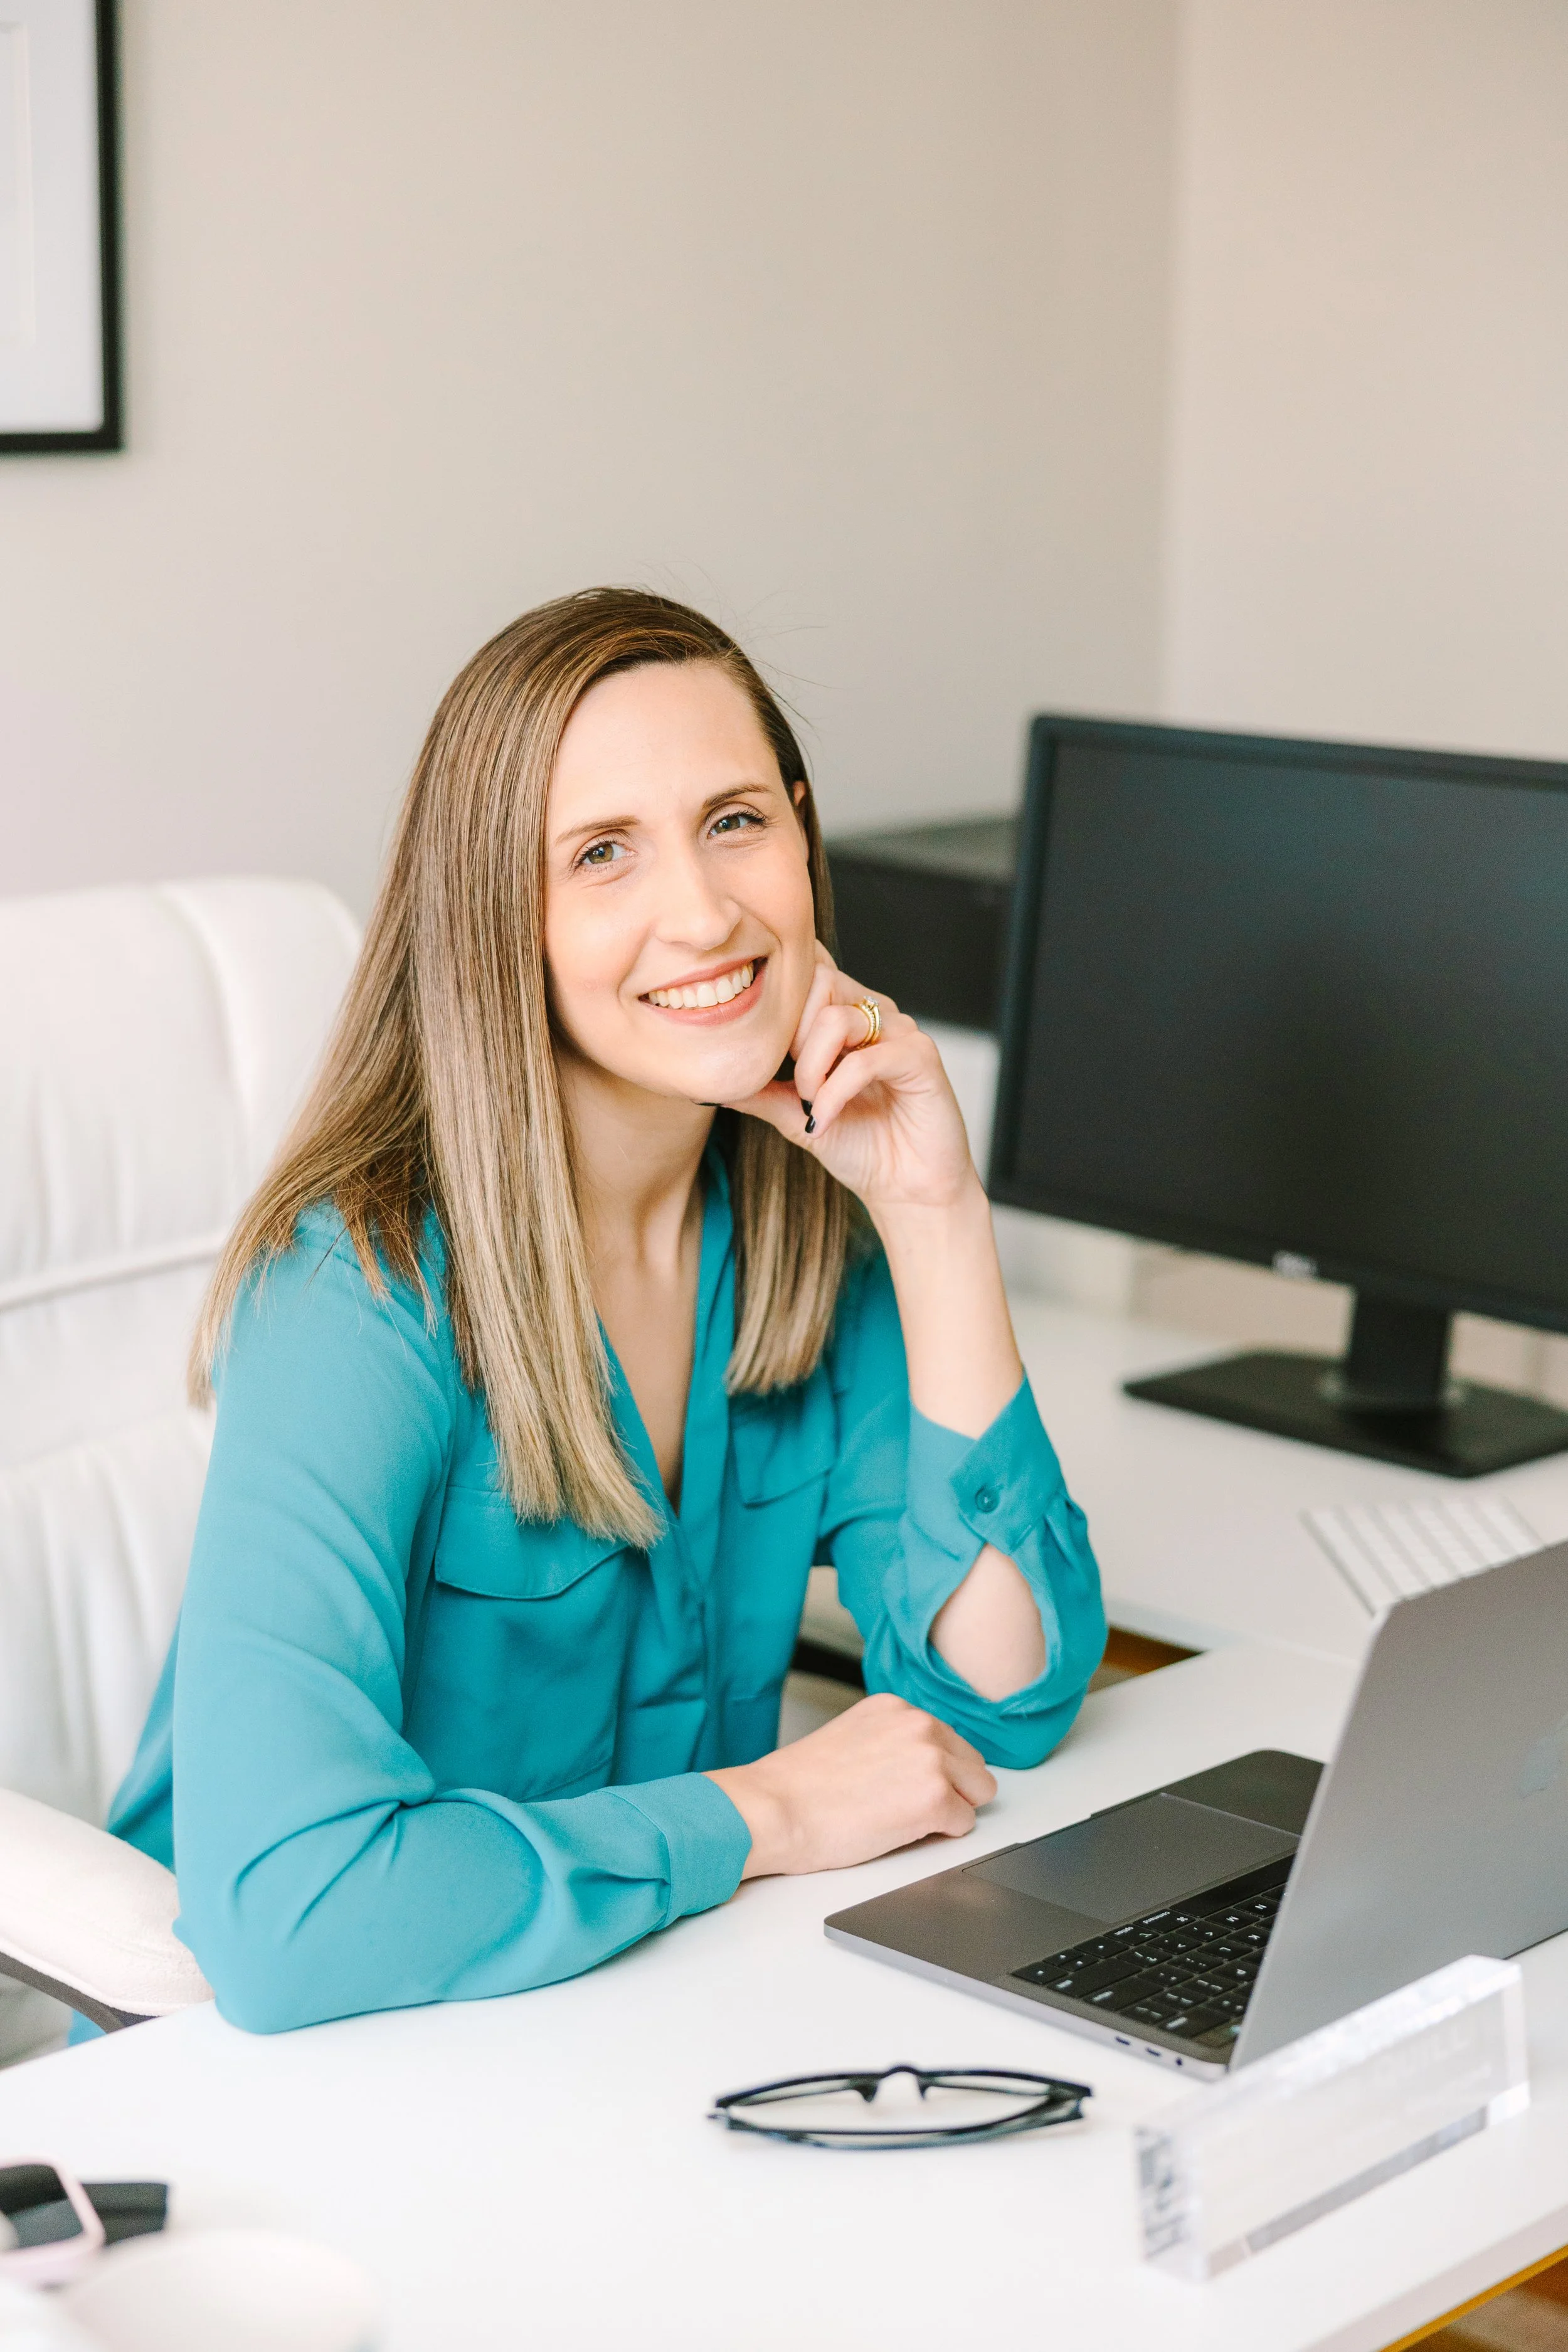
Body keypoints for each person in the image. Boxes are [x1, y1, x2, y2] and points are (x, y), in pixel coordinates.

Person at [107, 588, 1106, 2032]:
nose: (702, 912)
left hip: (628, 2015)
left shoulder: (800, 1224)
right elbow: (289, 1918)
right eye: (599, 856)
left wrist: (934, 1214)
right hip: (303, 2069)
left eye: (735, 821)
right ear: (495, 919)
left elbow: (1000, 1698)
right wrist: (763, 1812)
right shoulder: (356, 1291)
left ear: (803, 833)